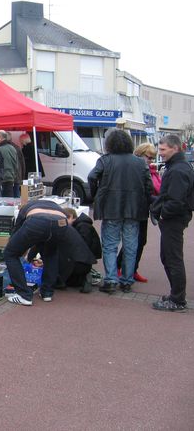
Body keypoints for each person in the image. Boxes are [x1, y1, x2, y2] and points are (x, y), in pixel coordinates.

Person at [88, 129, 153, 294]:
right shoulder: (140, 162)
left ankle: (111, 279)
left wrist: (97, 194)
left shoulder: (105, 160)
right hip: (134, 209)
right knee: (131, 245)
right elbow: (148, 186)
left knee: (110, 245)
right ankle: (126, 280)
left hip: (111, 208)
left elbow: (92, 177)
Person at [150, 135, 194, 312]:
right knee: (168, 257)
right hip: (174, 218)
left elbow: (175, 200)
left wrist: (162, 214)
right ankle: (176, 295)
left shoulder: (177, 170)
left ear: (175, 148)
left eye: (163, 150)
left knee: (172, 258)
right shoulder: (178, 167)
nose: (160, 153)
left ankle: (177, 299)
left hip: (173, 220)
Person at [4, 200, 71, 306]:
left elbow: (17, 231)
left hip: (37, 222)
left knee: (10, 253)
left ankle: (24, 295)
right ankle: (47, 293)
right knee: (51, 254)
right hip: (61, 223)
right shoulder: (53, 205)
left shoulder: (26, 208)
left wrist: (16, 248)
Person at [116, 143, 161, 283]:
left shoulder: (149, 169)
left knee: (141, 241)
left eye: (153, 158)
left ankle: (132, 269)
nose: (151, 160)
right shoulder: (135, 168)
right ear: (140, 154)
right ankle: (120, 268)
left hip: (142, 210)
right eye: (149, 157)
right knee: (131, 241)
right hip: (132, 209)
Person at [61, 208, 102, 292]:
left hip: (83, 260)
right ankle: (82, 278)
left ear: (71, 217)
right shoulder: (81, 225)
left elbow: (82, 246)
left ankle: (83, 278)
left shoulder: (82, 226)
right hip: (85, 259)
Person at [0, 130, 18, 197]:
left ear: (0, 137)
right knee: (9, 200)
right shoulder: (12, 148)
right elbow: (16, 164)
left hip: (2, 179)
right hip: (11, 177)